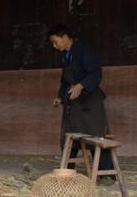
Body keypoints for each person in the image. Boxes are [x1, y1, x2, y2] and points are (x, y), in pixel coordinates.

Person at [48, 24, 114, 179]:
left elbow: (96, 73)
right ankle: (67, 172)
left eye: (55, 41)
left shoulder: (83, 51)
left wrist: (81, 85)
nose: (54, 45)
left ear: (64, 37)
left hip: (90, 102)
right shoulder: (65, 55)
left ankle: (105, 174)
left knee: (96, 136)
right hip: (74, 103)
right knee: (70, 135)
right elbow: (65, 81)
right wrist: (59, 96)